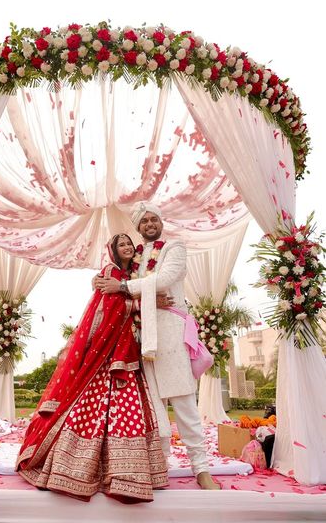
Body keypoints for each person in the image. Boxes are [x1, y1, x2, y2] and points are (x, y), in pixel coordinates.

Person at [17, 233, 168, 503]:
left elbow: (125, 300)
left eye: (129, 245)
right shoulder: (110, 272)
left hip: (124, 352)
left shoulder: (128, 276)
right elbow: (109, 308)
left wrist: (142, 298)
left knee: (124, 411)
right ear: (113, 250)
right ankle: (75, 470)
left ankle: (125, 473)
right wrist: (145, 302)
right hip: (107, 356)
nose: (127, 248)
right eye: (121, 244)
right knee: (91, 410)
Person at [96, 203, 220, 490]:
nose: (150, 224)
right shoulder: (137, 258)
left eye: (154, 219)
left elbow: (164, 279)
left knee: (184, 402)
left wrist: (126, 289)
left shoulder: (173, 248)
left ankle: (201, 469)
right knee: (154, 407)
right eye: (144, 221)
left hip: (172, 335)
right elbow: (122, 282)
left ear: (160, 222)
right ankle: (160, 466)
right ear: (139, 228)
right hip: (144, 336)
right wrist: (104, 281)